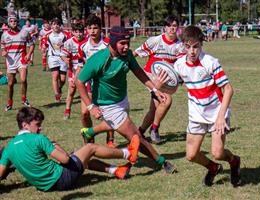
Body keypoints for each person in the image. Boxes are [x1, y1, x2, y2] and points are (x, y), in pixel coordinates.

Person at [76, 26, 176, 174]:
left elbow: (138, 72)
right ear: (113, 42)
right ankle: (161, 161)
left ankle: (89, 132)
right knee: (135, 136)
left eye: (127, 43)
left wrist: (154, 90)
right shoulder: (99, 60)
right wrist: (91, 106)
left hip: (122, 99)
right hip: (107, 105)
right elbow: (79, 81)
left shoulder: (127, 55)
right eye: (122, 43)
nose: (126, 47)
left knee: (116, 126)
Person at [0, 107, 140, 191]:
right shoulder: (39, 139)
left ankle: (117, 170)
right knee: (90, 148)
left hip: (45, 186)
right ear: (25, 125)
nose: (40, 128)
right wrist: (54, 145)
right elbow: (65, 159)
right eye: (37, 124)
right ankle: (128, 153)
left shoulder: (9, 148)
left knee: (80, 157)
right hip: (61, 179)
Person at [173, 25, 241, 187]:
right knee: (191, 155)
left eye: (195, 47)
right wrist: (159, 86)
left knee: (218, 153)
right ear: (183, 46)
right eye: (188, 47)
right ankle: (213, 168)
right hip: (196, 114)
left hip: (217, 112)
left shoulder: (210, 62)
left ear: (201, 45)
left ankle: (234, 161)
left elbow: (228, 89)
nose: (191, 51)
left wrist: (220, 117)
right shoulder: (179, 65)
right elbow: (174, 87)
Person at [134, 15, 185, 144]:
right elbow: (136, 53)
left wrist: (181, 78)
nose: (172, 29)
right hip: (150, 76)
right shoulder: (155, 41)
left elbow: (181, 65)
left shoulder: (179, 46)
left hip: (166, 79)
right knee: (166, 100)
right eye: (170, 26)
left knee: (155, 108)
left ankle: (138, 134)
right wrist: (122, 64)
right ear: (165, 28)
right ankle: (154, 130)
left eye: (175, 26)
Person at [76, 14, 115, 147]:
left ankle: (110, 140)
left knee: (108, 113)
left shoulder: (107, 44)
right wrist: (75, 77)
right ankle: (90, 137)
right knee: (84, 112)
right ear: (86, 29)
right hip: (88, 84)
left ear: (101, 29)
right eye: (89, 28)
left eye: (95, 28)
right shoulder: (82, 46)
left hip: (105, 84)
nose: (92, 31)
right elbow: (81, 64)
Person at [1, 15, 34, 111]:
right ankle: (9, 102)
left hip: (21, 60)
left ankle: (24, 99)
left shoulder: (24, 32)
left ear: (17, 22)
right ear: (8, 23)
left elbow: (31, 44)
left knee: (23, 80)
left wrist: (28, 54)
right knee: (10, 84)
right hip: (10, 61)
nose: (13, 22)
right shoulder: (4, 35)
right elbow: (3, 47)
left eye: (15, 21)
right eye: (11, 21)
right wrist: (3, 52)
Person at [42, 18, 70, 103]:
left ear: (60, 25)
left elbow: (70, 44)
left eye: (57, 24)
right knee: (55, 75)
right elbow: (44, 44)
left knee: (62, 79)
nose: (56, 26)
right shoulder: (47, 35)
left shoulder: (66, 35)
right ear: (51, 26)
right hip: (52, 57)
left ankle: (59, 89)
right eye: (54, 24)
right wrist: (44, 49)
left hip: (63, 57)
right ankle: (57, 96)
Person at [61, 23, 85, 120]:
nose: (79, 34)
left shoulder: (86, 42)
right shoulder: (69, 42)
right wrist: (65, 59)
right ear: (73, 32)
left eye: (80, 32)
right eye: (76, 32)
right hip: (73, 70)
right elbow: (62, 54)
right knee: (71, 91)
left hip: (85, 70)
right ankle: (67, 111)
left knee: (87, 92)